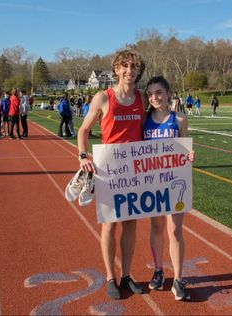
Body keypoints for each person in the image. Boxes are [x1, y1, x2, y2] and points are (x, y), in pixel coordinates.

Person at [75, 48, 147, 299]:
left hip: (135, 173)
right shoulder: (103, 98)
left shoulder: (142, 98)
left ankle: (126, 275)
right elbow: (83, 130)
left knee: (131, 226)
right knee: (109, 227)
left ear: (138, 71)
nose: (129, 71)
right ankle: (110, 278)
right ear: (116, 69)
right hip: (110, 173)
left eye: (134, 67)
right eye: (125, 66)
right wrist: (83, 156)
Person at [143, 75, 195, 301]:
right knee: (156, 228)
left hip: (175, 182)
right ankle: (158, 270)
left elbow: (184, 148)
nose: (155, 97)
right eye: (151, 93)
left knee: (174, 230)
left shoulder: (180, 119)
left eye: (159, 92)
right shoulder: (143, 120)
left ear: (168, 93)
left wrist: (190, 155)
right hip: (152, 183)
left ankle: (178, 279)